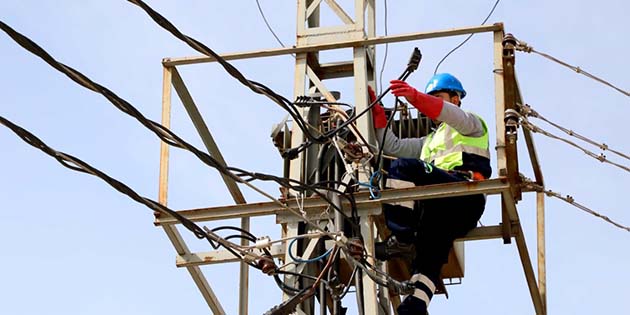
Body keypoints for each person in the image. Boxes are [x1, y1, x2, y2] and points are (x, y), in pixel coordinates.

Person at [369, 73, 492, 314]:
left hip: (463, 193)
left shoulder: (472, 124)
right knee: (428, 257)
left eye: (439, 97)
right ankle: (415, 307)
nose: (433, 102)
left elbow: (446, 113)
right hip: (441, 209)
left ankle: (402, 239)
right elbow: (392, 147)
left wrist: (416, 97)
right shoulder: (429, 141)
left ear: (456, 98)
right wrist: (378, 118)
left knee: (403, 168)